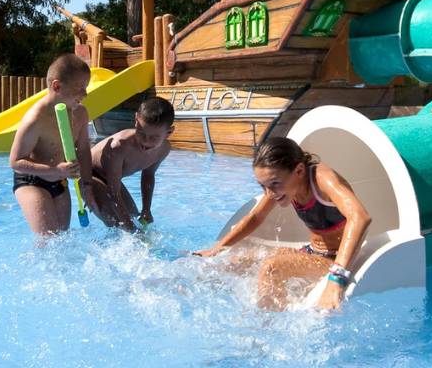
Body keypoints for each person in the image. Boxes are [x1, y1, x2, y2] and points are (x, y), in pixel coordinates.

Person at [193, 136, 371, 311]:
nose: (269, 193)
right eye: (263, 186)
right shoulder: (286, 185)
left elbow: (360, 217)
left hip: (335, 259)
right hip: (312, 253)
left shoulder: (322, 179)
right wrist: (217, 249)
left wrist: (337, 278)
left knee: (271, 268)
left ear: (299, 171)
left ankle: (267, 322)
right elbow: (256, 217)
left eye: (274, 184)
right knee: (239, 261)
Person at [10, 53, 97, 236]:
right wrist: (55, 170)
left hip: (59, 180)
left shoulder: (80, 114)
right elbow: (15, 162)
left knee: (62, 241)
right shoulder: (36, 119)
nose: (85, 94)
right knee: (48, 241)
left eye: (86, 87)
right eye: (80, 88)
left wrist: (87, 185)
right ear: (57, 86)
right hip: (32, 181)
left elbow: (83, 150)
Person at [88, 97, 175, 232]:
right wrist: (129, 226)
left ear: (169, 132)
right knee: (118, 224)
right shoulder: (119, 146)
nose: (145, 141)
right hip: (89, 175)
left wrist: (146, 209)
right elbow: (114, 192)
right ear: (136, 120)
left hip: (111, 179)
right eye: (141, 133)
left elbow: (148, 175)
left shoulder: (164, 149)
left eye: (154, 137)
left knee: (134, 217)